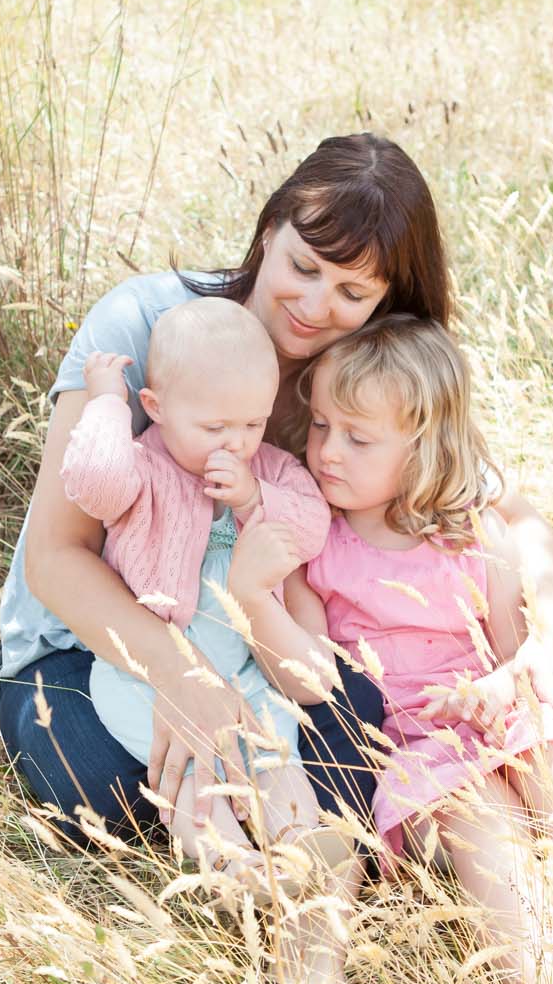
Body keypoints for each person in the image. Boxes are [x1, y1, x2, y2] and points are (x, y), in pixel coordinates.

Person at [0, 132, 553, 984]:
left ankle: (312, 981)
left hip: (259, 648)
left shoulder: (359, 375)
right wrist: (184, 682)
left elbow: (510, 509)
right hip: (92, 648)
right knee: (111, 787)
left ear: (387, 303)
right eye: (302, 266)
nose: (315, 306)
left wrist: (546, 632)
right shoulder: (151, 326)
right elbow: (57, 559)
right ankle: (269, 883)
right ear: (267, 231)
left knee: (355, 710)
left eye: (352, 292)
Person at [226, 315, 553, 984]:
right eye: (321, 425)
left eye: (358, 437)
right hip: (419, 749)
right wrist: (257, 597)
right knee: (483, 828)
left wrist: (501, 685)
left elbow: (518, 653)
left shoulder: (471, 534)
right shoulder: (318, 548)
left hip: (503, 717)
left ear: (424, 446)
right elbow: (309, 678)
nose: (326, 451)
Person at [60, 297, 345, 898]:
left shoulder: (269, 469)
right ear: (157, 409)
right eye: (214, 428)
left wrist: (250, 501)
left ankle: (299, 846)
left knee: (274, 752)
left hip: (244, 666)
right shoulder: (142, 470)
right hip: (143, 672)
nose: (235, 444)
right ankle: (231, 870)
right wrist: (107, 399)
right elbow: (91, 480)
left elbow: (311, 525)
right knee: (194, 769)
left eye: (251, 424)